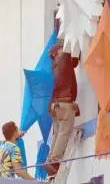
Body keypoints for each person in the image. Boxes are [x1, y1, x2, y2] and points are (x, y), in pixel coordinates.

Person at [46, 39, 80, 173]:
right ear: (56, 53)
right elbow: (70, 48)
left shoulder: (53, 68)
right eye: (60, 49)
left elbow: (75, 62)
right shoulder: (63, 60)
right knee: (65, 132)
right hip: (65, 104)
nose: (62, 50)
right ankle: (54, 160)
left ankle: (50, 159)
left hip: (55, 105)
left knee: (57, 133)